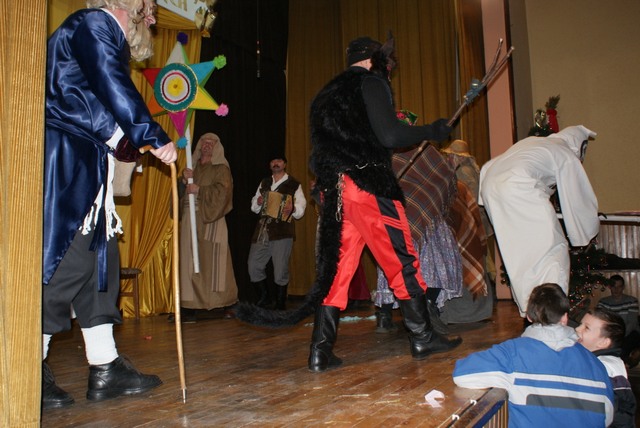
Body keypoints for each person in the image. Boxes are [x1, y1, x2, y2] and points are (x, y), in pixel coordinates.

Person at [236, 35, 462, 372]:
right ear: (374, 60)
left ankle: (320, 351)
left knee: (337, 272)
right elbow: (390, 135)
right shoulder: (371, 83)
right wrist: (432, 130)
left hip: (337, 193)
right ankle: (422, 336)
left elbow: (318, 154)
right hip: (369, 188)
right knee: (402, 260)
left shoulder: (327, 94)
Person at [42, 0, 177, 410]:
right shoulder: (95, 22)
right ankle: (25, 362)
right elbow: (109, 83)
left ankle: (105, 365)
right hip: (67, 159)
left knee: (102, 260)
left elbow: (93, 98)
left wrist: (124, 142)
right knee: (67, 260)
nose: (150, 19)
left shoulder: (96, 31)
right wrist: (150, 134)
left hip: (86, 158)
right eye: (147, 9)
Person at [453, 283, 614, 427]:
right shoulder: (596, 365)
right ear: (565, 318)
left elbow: (462, 374)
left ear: (529, 317)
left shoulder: (512, 353)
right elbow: (607, 417)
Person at [479, 125, 599, 317]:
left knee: (520, 257)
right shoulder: (564, 152)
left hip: (491, 189)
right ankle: (552, 316)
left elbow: (492, 165)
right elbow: (577, 198)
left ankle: (532, 312)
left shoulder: (533, 143)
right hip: (520, 189)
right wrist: (585, 233)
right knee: (554, 251)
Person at [374, 111, 463, 335]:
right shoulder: (399, 152)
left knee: (406, 264)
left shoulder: (415, 151)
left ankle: (398, 313)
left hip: (411, 215)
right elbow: (445, 176)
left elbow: (443, 175)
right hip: (411, 214)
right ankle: (412, 309)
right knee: (419, 263)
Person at [176, 133, 237, 322]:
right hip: (189, 220)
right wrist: (183, 182)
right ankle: (189, 306)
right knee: (188, 261)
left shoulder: (221, 169)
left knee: (216, 262)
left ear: (217, 146)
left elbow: (224, 192)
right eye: (204, 141)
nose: (207, 145)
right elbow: (177, 195)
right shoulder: (190, 168)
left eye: (212, 142)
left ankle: (226, 303)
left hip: (211, 220)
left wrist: (199, 190)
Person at [248, 155, 307, 310]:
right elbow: (254, 206)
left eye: (279, 161)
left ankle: (280, 303)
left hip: (282, 232)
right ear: (270, 165)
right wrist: (258, 202)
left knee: (280, 270)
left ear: (284, 164)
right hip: (263, 230)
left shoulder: (294, 184)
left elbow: (301, 207)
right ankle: (265, 298)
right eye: (273, 161)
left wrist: (293, 208)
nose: (276, 163)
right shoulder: (265, 182)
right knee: (253, 265)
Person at [576, 308, 637, 427]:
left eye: (586, 327)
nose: (577, 329)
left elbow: (620, 414)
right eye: (580, 324)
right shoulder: (592, 361)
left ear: (603, 343)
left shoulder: (605, 367)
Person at [597, 274, 640, 366]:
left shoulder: (632, 301)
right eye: (614, 287)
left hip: (629, 332)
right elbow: (602, 321)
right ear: (610, 287)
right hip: (612, 333)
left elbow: (632, 323)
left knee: (629, 340)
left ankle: (624, 363)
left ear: (623, 287)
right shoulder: (603, 302)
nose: (616, 290)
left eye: (619, 287)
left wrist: (619, 337)